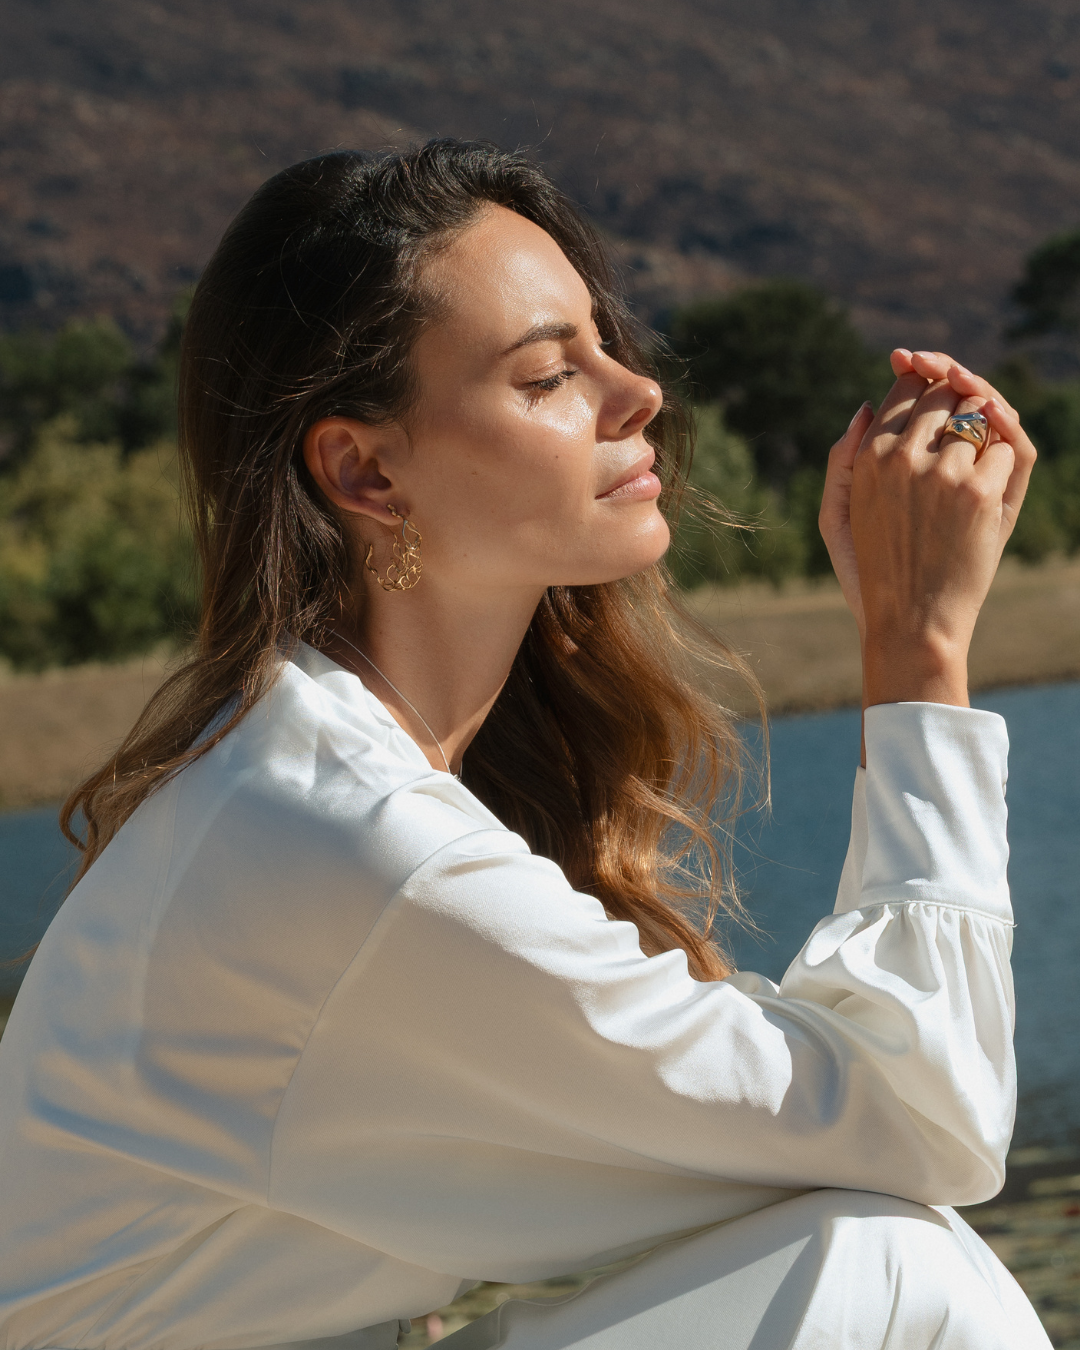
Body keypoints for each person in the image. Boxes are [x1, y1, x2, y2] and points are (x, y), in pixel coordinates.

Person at [0, 139, 1051, 1350]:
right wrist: (917, 655)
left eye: (608, 342)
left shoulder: (319, 781)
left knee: (861, 1248)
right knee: (886, 1268)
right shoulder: (350, 842)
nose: (636, 391)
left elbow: (850, 1127)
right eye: (551, 374)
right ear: (365, 469)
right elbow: (926, 1122)